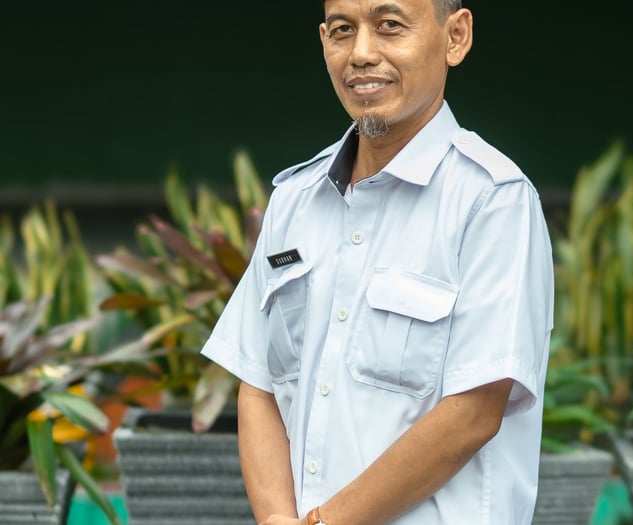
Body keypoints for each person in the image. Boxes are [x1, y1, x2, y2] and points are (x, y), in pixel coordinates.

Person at [201, 0, 554, 523]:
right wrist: (277, 519)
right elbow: (259, 384)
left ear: (455, 37)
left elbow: (473, 414)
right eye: (343, 30)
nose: (361, 53)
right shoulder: (295, 199)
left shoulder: (492, 202)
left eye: (390, 26)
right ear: (324, 41)